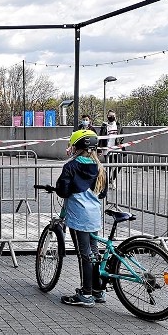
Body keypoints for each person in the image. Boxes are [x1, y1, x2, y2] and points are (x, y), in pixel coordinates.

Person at [57, 129, 109, 307]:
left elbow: (63, 190)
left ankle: (86, 294)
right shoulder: (99, 168)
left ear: (76, 146)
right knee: (94, 253)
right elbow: (102, 194)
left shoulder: (71, 166)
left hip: (78, 216)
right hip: (94, 216)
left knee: (84, 255)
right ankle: (97, 290)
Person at [98, 109, 123, 183]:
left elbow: (122, 135)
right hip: (107, 149)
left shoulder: (118, 125)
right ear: (107, 116)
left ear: (115, 116)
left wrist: (119, 141)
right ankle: (107, 181)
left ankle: (113, 179)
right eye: (109, 115)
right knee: (108, 167)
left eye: (112, 115)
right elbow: (101, 137)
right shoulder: (104, 126)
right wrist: (99, 149)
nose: (111, 117)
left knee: (120, 164)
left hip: (117, 148)